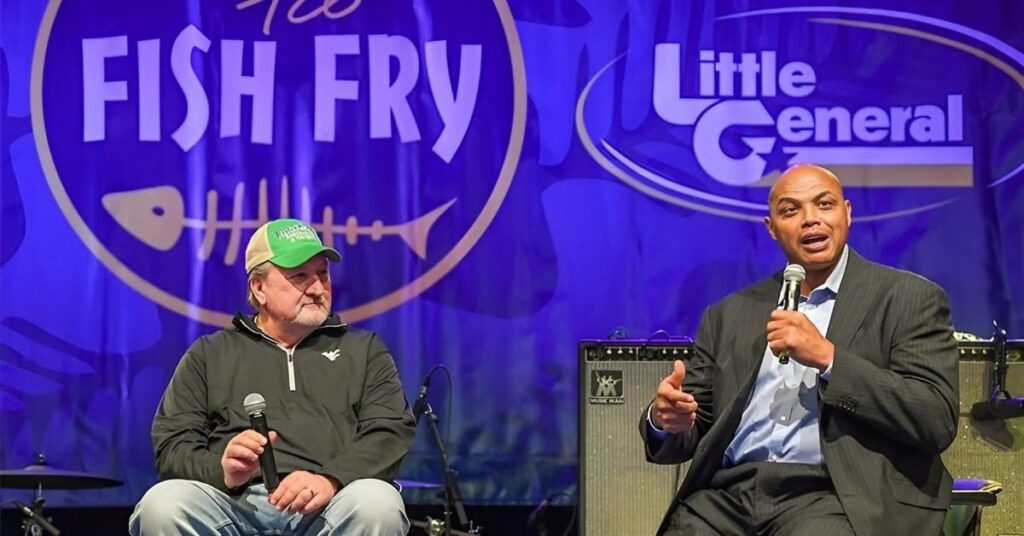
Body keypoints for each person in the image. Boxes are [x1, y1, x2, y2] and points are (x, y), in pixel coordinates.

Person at [640, 164, 959, 535]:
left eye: (824, 204)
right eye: (791, 211)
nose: (810, 219)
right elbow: (696, 425)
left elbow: (934, 418)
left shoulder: (908, 298)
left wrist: (829, 358)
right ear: (772, 228)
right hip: (728, 498)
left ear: (847, 213)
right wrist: (665, 421)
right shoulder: (729, 313)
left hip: (835, 496)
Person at [130, 218, 417, 535]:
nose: (318, 288)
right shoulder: (209, 354)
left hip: (329, 503)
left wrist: (330, 478)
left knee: (378, 502)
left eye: (323, 274)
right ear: (259, 287)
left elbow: (389, 431)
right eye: (300, 277)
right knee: (163, 503)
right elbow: (173, 444)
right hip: (233, 504)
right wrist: (222, 470)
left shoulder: (364, 351)